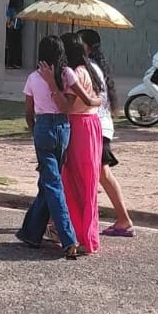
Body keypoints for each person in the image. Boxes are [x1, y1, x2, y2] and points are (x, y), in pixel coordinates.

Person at [15, 36, 79, 258]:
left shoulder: (36, 77)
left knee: (52, 185)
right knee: (49, 183)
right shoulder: (67, 73)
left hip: (46, 127)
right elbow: (66, 109)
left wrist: (35, 131)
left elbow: (29, 112)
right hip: (61, 129)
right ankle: (31, 233)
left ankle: (68, 238)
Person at [78, 28, 135, 238]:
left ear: (87, 46)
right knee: (99, 173)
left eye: (79, 42)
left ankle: (123, 220)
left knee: (102, 173)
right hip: (101, 126)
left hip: (98, 127)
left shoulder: (88, 67)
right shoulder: (94, 66)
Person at [59, 33, 106, 255]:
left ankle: (80, 234)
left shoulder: (74, 74)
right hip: (92, 124)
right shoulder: (88, 70)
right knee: (88, 183)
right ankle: (89, 235)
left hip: (78, 125)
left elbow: (68, 106)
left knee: (75, 181)